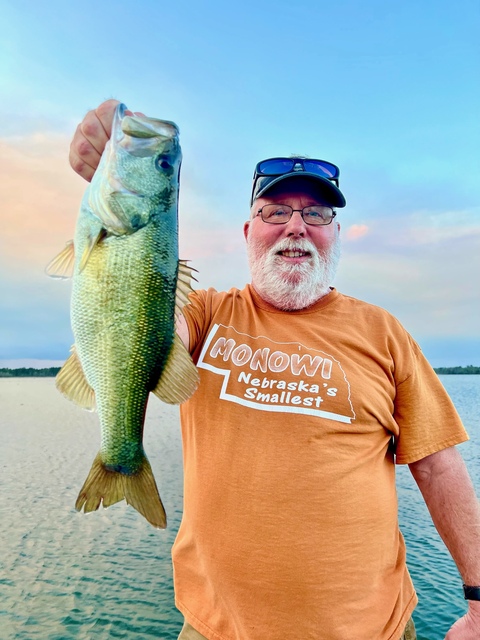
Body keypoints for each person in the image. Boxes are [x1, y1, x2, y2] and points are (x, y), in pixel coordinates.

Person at [69, 99, 480, 640]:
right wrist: (106, 164)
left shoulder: (384, 331)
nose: (296, 227)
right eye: (275, 212)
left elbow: (439, 466)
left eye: (316, 214)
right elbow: (139, 315)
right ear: (248, 232)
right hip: (217, 629)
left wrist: (477, 602)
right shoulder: (206, 313)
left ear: (335, 234)